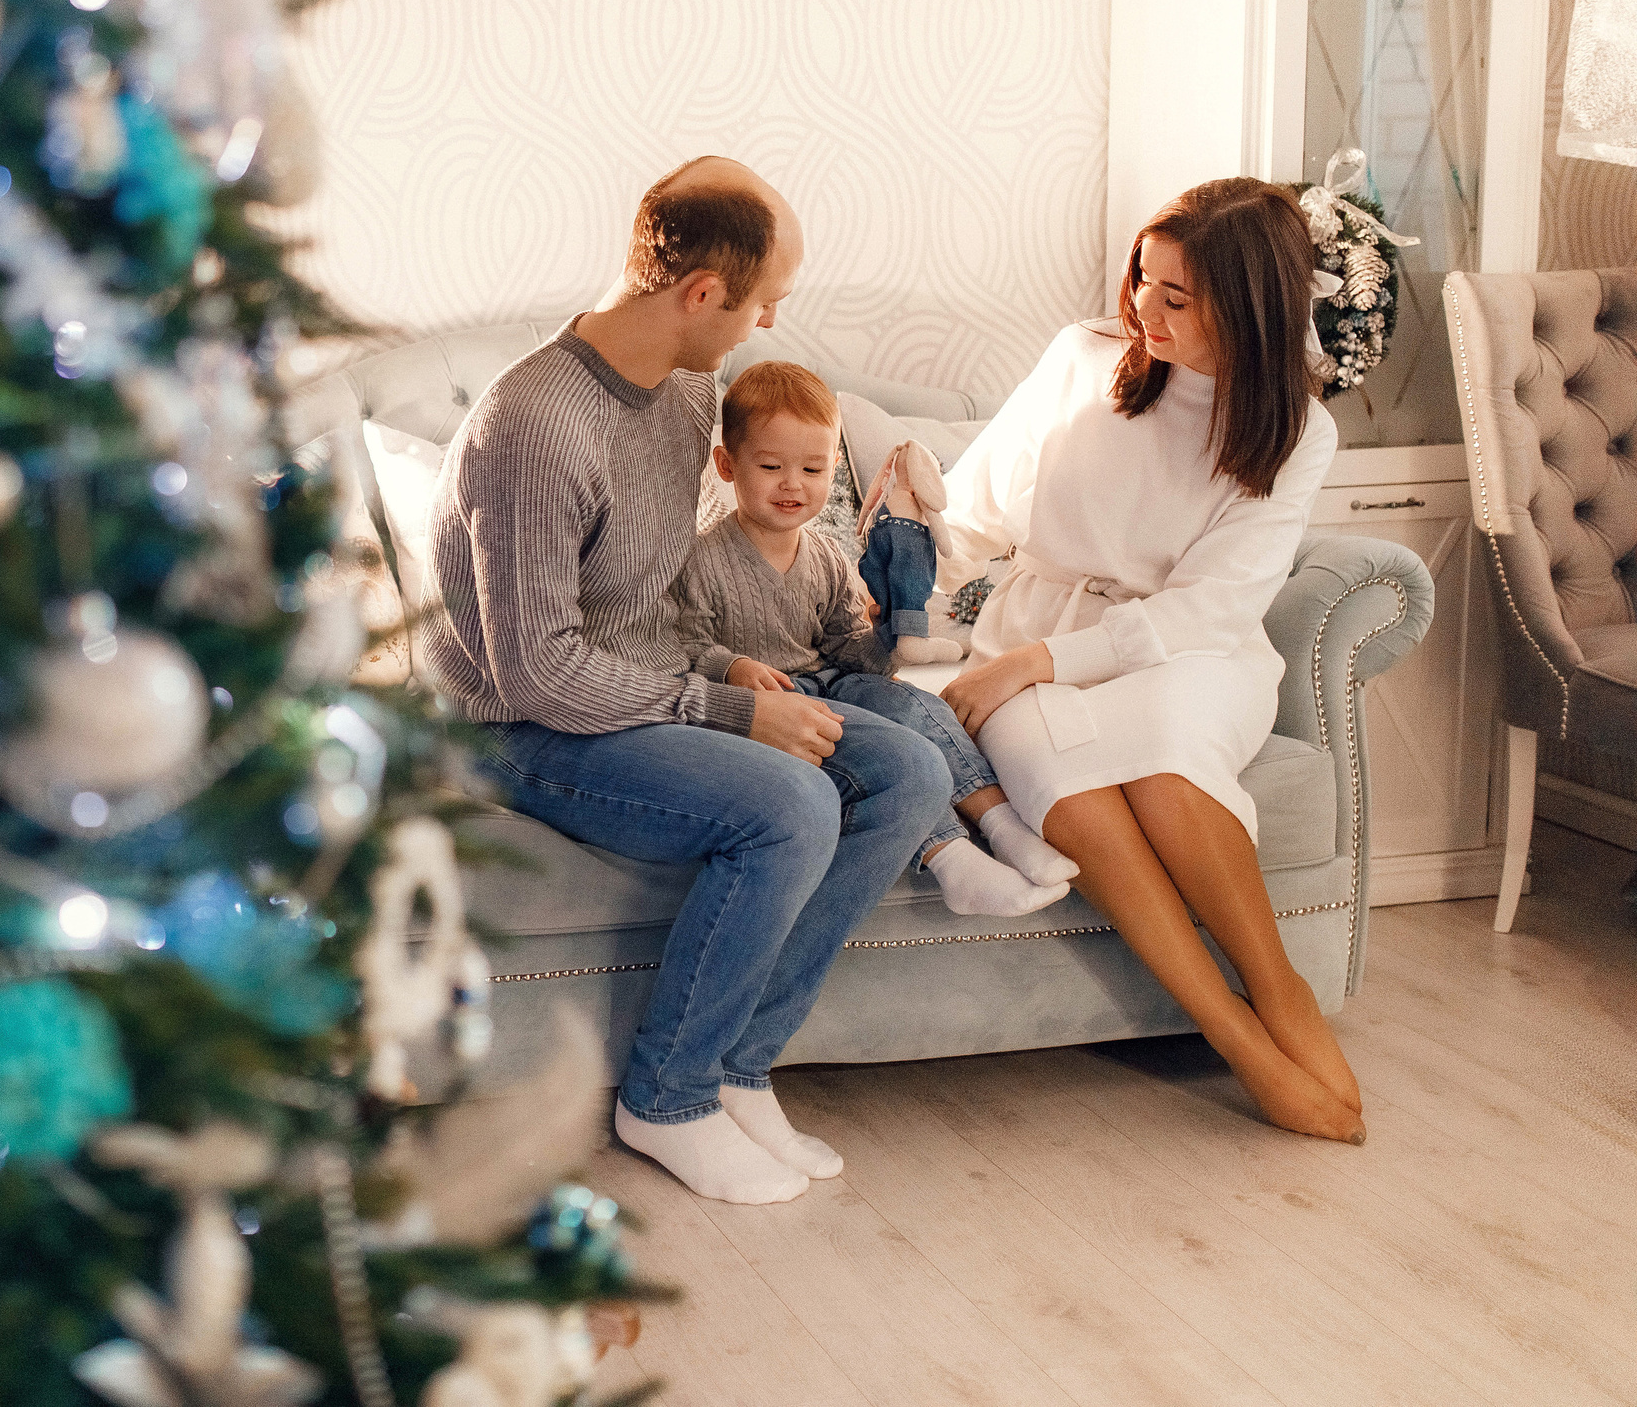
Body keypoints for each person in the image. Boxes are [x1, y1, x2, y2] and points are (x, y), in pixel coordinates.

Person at [423, 156, 953, 1206]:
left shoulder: (681, 390)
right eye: (761, 303)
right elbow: (538, 672)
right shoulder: (533, 425)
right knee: (790, 803)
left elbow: (657, 601)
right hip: (521, 726)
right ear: (701, 293)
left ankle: (739, 1068)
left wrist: (751, 658)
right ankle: (665, 1097)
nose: (763, 327)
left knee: (908, 774)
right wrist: (727, 709)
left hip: (633, 685)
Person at [936, 177, 1364, 1144]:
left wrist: (1045, 661)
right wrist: (900, 590)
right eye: (1143, 280)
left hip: (1191, 649)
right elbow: (976, 504)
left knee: (1168, 764)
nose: (1143, 310)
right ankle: (1239, 1038)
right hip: (1033, 630)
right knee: (1067, 779)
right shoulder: (1082, 361)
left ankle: (1278, 987)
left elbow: (1210, 606)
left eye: (1177, 298)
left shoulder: (1298, 431)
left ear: (1250, 309)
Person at [674, 361, 1078, 918]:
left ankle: (1002, 825)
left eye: (813, 469)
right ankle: (949, 855)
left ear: (834, 464)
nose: (793, 484)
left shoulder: (826, 559)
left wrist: (885, 632)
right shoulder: (701, 557)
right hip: (771, 704)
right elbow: (681, 644)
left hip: (834, 681)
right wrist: (733, 667)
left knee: (911, 705)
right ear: (727, 464)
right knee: (879, 756)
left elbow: (851, 654)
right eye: (771, 466)